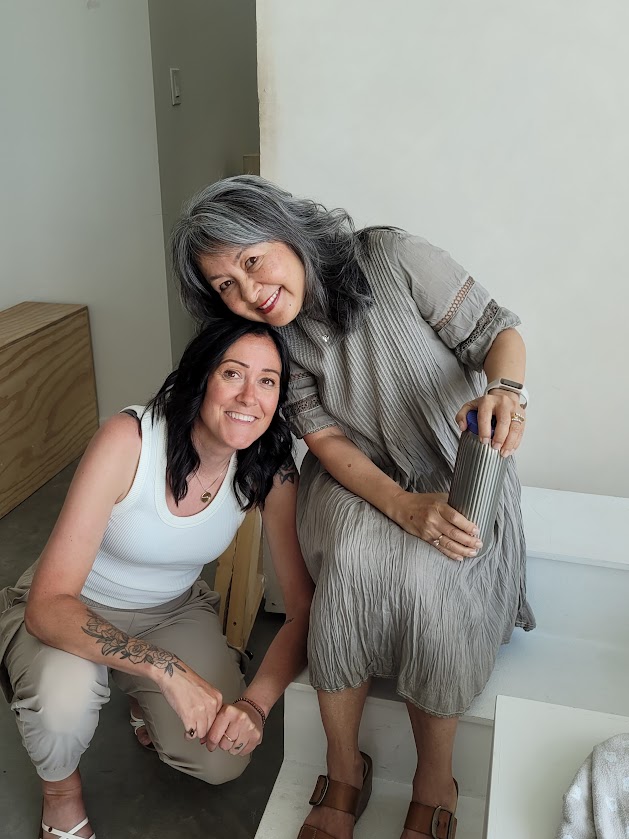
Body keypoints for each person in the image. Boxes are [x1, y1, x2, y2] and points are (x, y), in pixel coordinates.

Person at [168, 175, 536, 839]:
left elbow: (497, 333)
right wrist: (402, 505)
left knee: (431, 570)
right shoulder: (274, 339)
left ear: (285, 230)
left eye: (252, 260)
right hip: (353, 477)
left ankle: (434, 779)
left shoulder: (392, 257)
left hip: (451, 461)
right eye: (226, 284)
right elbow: (327, 442)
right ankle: (344, 769)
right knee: (350, 557)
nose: (249, 291)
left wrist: (505, 390)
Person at [0, 318, 313, 839]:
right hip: (76, 605)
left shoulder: (270, 468)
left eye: (267, 380)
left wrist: (255, 706)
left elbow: (303, 610)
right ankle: (61, 792)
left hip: (172, 611)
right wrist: (166, 669)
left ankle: (139, 693)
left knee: (222, 759)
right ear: (200, 377)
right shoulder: (130, 439)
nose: (249, 397)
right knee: (62, 703)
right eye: (232, 373)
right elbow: (49, 603)